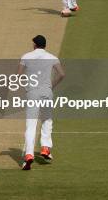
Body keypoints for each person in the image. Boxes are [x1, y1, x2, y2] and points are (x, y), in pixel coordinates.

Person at [17, 35, 65, 170]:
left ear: (34, 45)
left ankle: (29, 155)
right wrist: (51, 86)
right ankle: (45, 148)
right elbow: (61, 74)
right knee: (47, 121)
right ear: (44, 45)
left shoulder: (26, 56)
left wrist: (27, 88)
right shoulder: (52, 57)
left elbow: (18, 76)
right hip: (47, 93)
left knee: (31, 125)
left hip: (32, 93)